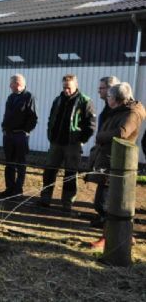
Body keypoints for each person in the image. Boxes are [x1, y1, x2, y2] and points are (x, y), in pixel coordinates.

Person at [87, 82, 145, 248]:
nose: (107, 98)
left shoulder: (132, 113)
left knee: (104, 202)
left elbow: (122, 133)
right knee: (103, 202)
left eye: (110, 96)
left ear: (118, 98)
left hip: (116, 162)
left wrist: (100, 136)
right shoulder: (119, 110)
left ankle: (111, 236)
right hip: (107, 159)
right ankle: (123, 234)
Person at [39, 74, 96, 212]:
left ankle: (67, 202)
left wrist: (81, 140)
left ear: (76, 85)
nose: (66, 90)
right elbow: (50, 119)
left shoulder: (85, 101)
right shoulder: (58, 100)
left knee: (70, 174)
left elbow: (91, 125)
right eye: (64, 87)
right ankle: (45, 198)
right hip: (56, 143)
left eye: (69, 88)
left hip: (73, 144)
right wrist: (50, 136)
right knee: (49, 171)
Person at [0, 74, 38, 198]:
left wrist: (25, 131)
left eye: (11, 83)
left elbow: (33, 117)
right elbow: (6, 114)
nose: (10, 86)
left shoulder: (29, 97)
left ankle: (18, 189)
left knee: (20, 163)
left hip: (20, 135)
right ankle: (9, 188)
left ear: (18, 83)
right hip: (8, 135)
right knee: (9, 163)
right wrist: (4, 128)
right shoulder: (11, 97)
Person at [89, 76, 121, 227]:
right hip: (102, 151)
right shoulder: (107, 107)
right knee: (101, 190)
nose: (98, 90)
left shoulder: (115, 110)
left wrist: (100, 137)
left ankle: (109, 224)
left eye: (101, 88)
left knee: (104, 194)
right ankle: (103, 218)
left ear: (110, 89)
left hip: (110, 155)